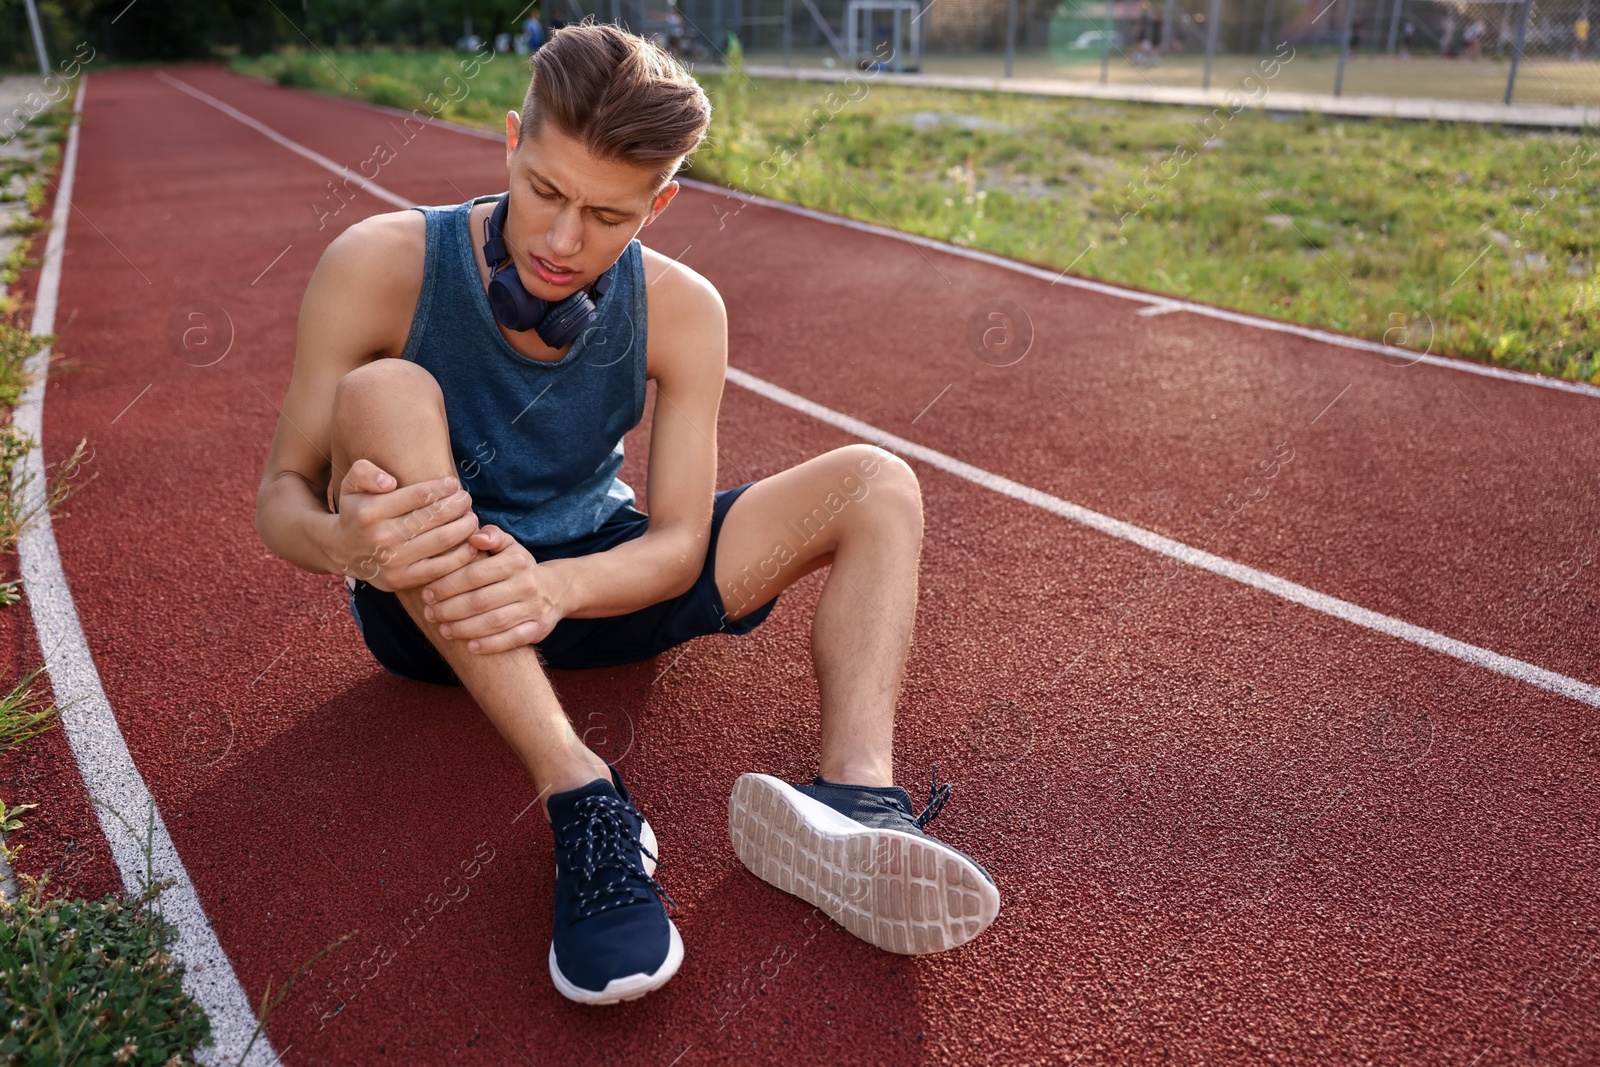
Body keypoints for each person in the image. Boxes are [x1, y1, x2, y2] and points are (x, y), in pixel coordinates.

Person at [254, 21, 1000, 1006]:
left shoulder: (685, 308)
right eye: (546, 193)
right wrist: (347, 542)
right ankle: (583, 792)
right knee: (385, 393)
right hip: (432, 610)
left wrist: (552, 582)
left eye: (608, 216)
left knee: (876, 479)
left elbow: (680, 541)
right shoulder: (379, 263)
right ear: (510, 141)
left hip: (594, 588)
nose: (564, 242)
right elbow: (281, 496)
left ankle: (857, 796)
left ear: (662, 202)